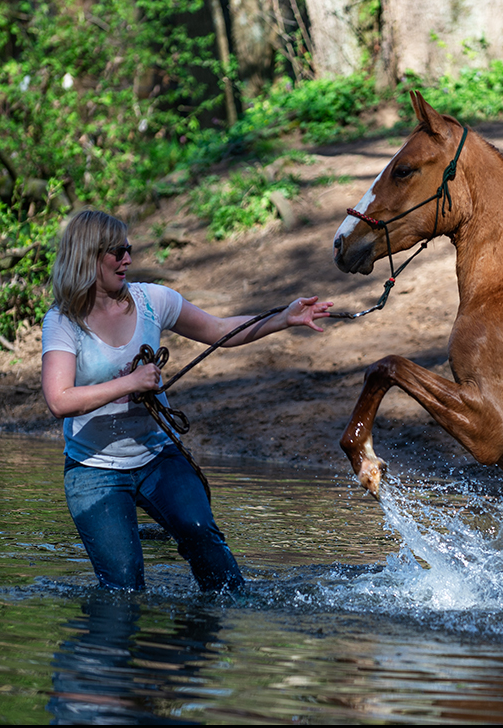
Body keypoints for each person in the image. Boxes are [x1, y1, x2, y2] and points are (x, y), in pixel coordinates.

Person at [41, 210, 332, 592]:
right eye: (117, 252)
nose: (128, 259)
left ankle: (219, 634)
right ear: (88, 255)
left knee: (207, 547)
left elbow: (220, 331)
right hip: (93, 470)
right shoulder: (62, 321)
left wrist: (284, 317)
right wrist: (129, 381)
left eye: (129, 249)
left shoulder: (152, 300)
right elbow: (59, 400)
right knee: (124, 588)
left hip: (158, 457)